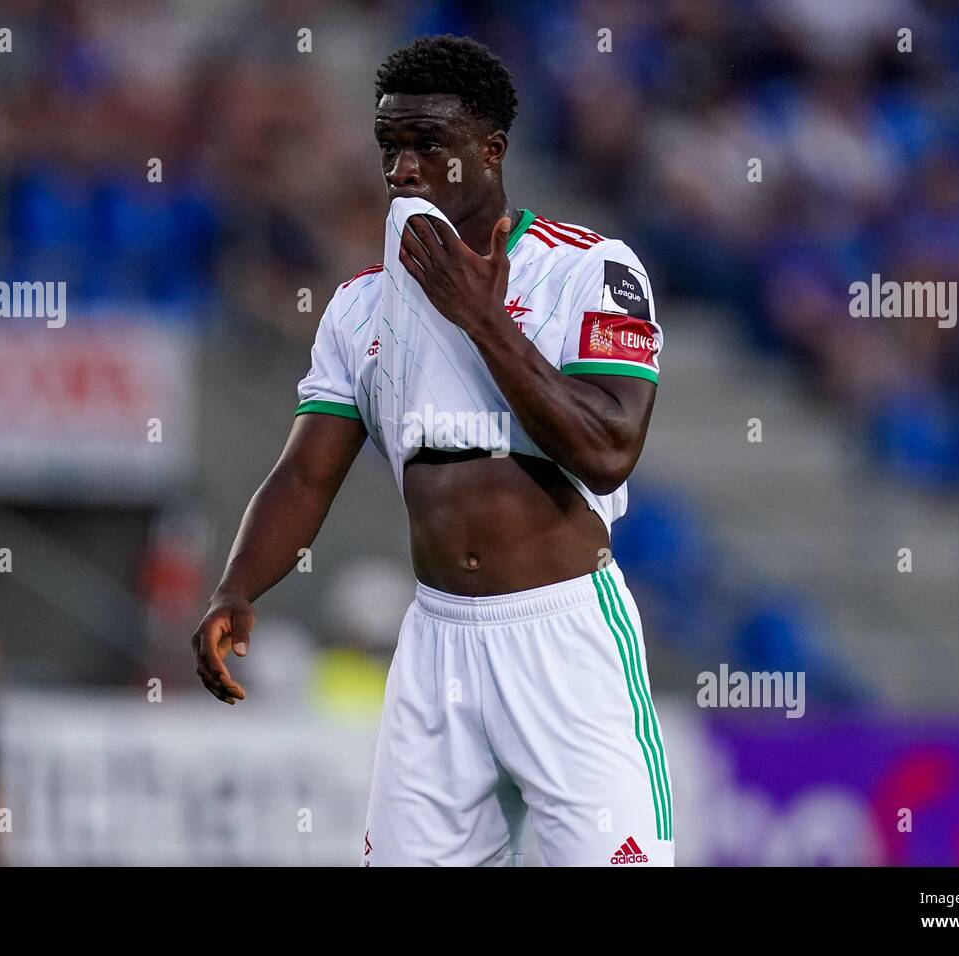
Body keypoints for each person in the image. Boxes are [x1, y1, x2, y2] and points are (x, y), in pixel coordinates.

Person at [192, 35, 672, 866]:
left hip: (563, 636)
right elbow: (305, 474)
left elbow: (608, 449)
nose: (404, 169)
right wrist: (237, 585)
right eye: (390, 149)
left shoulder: (590, 270)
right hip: (437, 646)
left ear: (490, 151)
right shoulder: (358, 308)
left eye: (428, 147)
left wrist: (484, 320)